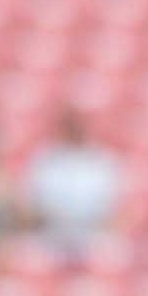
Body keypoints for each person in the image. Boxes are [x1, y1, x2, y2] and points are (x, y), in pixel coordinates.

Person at [21, 105, 125, 252]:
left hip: (93, 236)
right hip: (51, 234)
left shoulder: (102, 161)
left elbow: (112, 208)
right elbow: (33, 204)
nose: (75, 130)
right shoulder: (45, 159)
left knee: (114, 250)